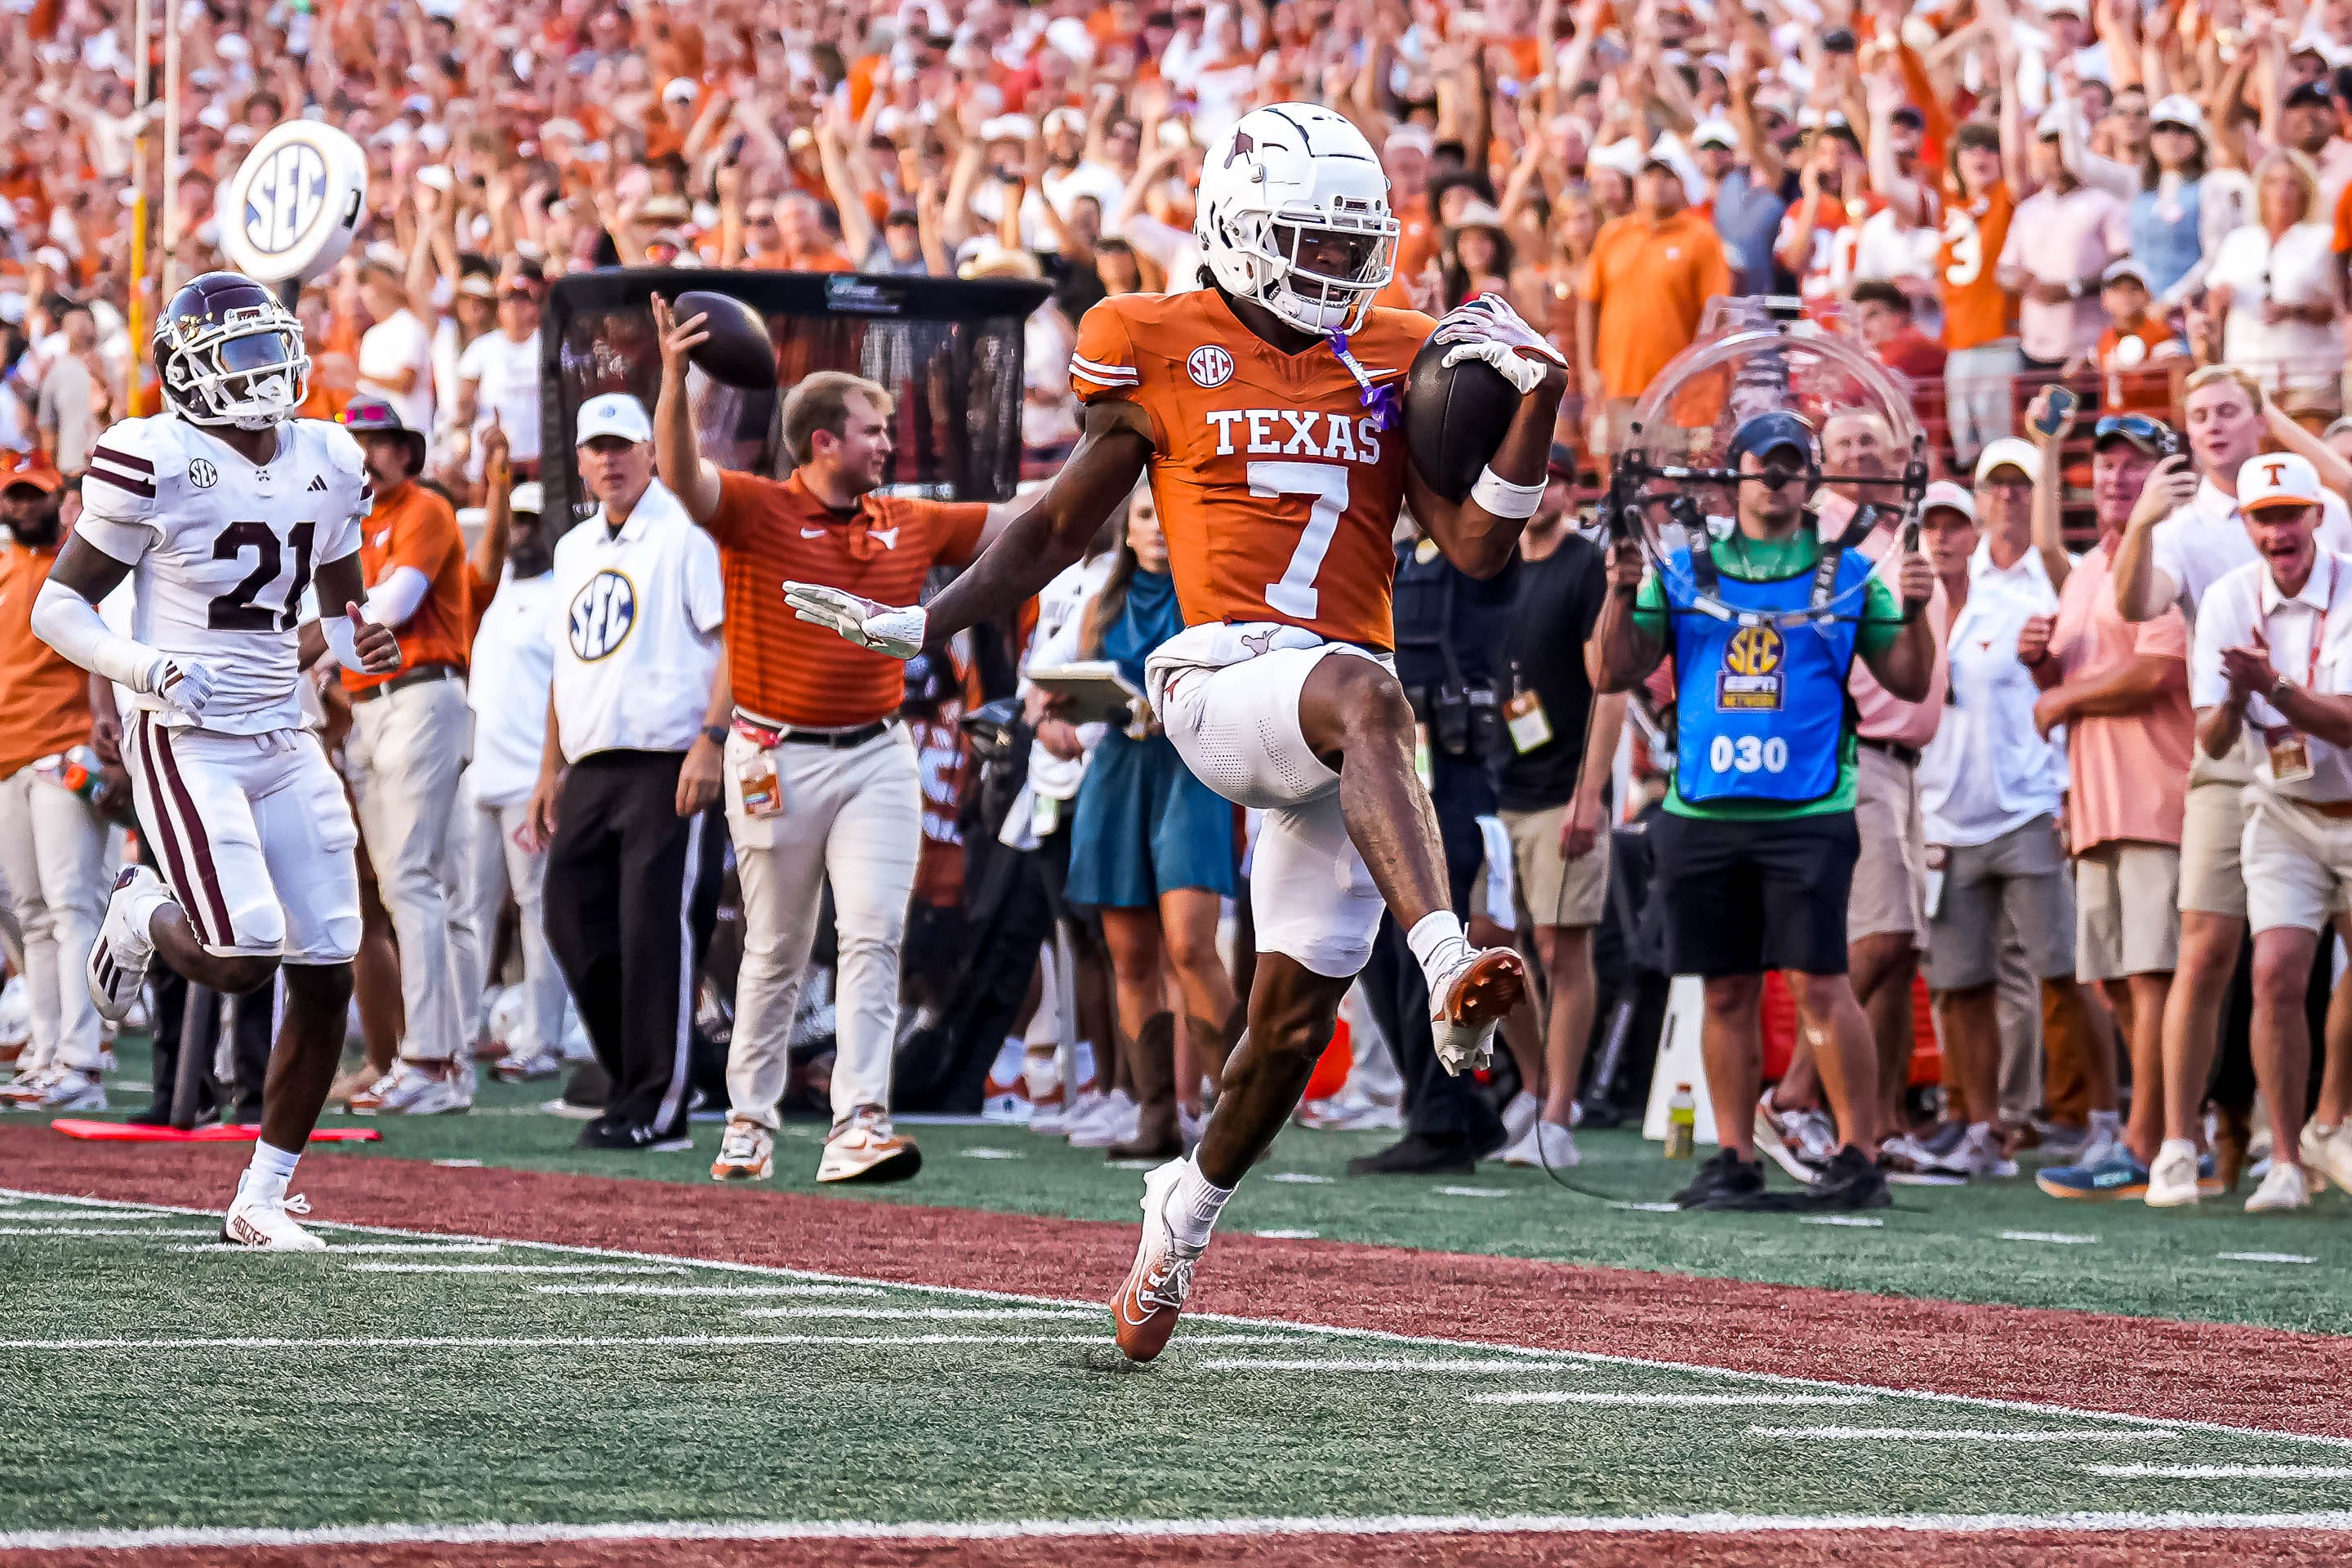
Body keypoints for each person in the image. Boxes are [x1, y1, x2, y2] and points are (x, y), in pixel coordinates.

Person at [782, 104, 1561, 1361]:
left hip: (1336, 737)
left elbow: (1476, 550)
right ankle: (1439, 967)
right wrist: (928, 624)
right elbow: (1052, 529)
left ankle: (1177, 1223)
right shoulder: (1152, 338)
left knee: (1287, 1028)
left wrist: (1540, 401)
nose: (1329, 271)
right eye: (1304, 242)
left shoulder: (1399, 348)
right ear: (1239, 232)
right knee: (1370, 690)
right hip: (1222, 673)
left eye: (1346, 244)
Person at [29, 271, 400, 1248]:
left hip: (285, 731)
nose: (264, 368)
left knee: (327, 966)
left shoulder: (329, 454)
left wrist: (362, 640)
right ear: (187, 371)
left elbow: (335, 607)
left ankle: (262, 1198)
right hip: (185, 736)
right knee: (243, 955)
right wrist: (142, 664)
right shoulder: (149, 456)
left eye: (269, 345)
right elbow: (56, 607)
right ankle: (143, 909)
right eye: (237, 352)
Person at [649, 318, 1026, 1186]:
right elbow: (680, 475)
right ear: (824, 442)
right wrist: (674, 378)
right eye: (874, 431)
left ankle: (860, 1119)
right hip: (775, 753)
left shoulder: (911, 520)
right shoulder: (757, 507)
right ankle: (750, 1115)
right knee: (778, 945)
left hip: (875, 754)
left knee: (873, 935)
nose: (889, 445)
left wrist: (1116, 456)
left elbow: (1018, 521)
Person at [1592, 409, 1937, 1211]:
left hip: (1809, 810)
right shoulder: (1682, 569)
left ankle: (1857, 1153)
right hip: (1703, 810)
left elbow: (1910, 681)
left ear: (1811, 480)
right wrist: (1617, 592)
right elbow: (1612, 667)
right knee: (1724, 990)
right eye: (1762, 463)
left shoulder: (1849, 572)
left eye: (1791, 465)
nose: (1776, 478)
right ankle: (1736, 1153)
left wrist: (1914, 609)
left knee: (1822, 985)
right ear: (1735, 474)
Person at [2113, 365, 2352, 1205]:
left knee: (2311, 960)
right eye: (2199, 415)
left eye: (2229, 412)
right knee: (2229, 955)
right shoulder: (2184, 532)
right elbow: (2135, 601)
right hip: (2247, 774)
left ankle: (2320, 1128)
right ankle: (2198, 1146)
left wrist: (2273, 691)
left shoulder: (2332, 525)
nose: (2212, 427)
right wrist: (2142, 518)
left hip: (2333, 765)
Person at [528, 392, 727, 1152]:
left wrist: (710, 741)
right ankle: (636, 1078)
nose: (610, 460)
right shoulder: (574, 547)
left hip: (667, 758)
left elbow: (730, 637)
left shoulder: (686, 533)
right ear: (579, 461)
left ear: (651, 451)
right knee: (571, 922)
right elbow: (565, 661)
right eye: (596, 448)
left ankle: (661, 1102)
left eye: (623, 446)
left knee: (656, 932)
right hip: (591, 761)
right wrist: (550, 768)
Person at [1917, 436, 2112, 1181]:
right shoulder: (1918, 601)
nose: (1943, 538)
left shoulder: (2035, 585)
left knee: (2063, 970)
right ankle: (1979, 1126)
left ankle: (2100, 1118)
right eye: (1932, 526)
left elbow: (2062, 675)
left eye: (1951, 525)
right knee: (1960, 984)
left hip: (2026, 807)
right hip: (1945, 813)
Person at [2025, 403, 2192, 1199]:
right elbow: (2065, 674)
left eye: (2136, 463)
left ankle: (2146, 1140)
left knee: (2153, 976)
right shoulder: (2093, 566)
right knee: (2117, 983)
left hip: (2159, 795)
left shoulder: (2170, 554)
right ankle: (2156, 1133)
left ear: (2166, 475)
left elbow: (2157, 673)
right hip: (2095, 803)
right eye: (2111, 463)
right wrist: (2040, 670)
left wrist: (2064, 701)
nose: (2119, 476)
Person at [2189, 452, 2352, 1211]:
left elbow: (2349, 725)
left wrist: (2271, 685)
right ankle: (2286, 1158)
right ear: (2247, 524)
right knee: (2275, 972)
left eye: (2291, 513)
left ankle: (2328, 1122)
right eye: (2265, 516)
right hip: (2282, 809)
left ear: (2319, 514)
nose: (2279, 529)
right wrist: (2233, 697)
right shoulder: (2227, 598)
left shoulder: (2351, 584)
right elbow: (2213, 742)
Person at [1064, 486, 1240, 1161]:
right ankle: (1155, 1115)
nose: (1159, 529)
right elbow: (1069, 689)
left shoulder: (1209, 594)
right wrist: (1067, 704)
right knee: (1130, 958)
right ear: (1128, 532)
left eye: (1168, 516)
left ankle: (1234, 1108)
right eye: (1145, 517)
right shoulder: (1100, 603)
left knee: (1192, 946)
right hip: (1117, 775)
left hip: (1192, 772)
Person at [334, 397, 476, 1116]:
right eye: (355, 439)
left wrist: (305, 645)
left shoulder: (424, 509)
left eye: (380, 440)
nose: (366, 451)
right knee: (411, 887)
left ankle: (431, 1059)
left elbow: (394, 603)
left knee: (411, 882)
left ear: (406, 453)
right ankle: (444, 1058)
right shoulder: (346, 525)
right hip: (370, 707)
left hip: (419, 693)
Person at [1491, 461, 1624, 1169]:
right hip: (1493, 783)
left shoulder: (1586, 568)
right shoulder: (1493, 559)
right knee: (1486, 947)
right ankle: (1534, 1087)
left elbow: (1610, 686)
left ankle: (1558, 1112)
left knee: (1559, 949)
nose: (1539, 490)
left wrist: (1590, 792)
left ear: (1574, 491)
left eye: (1553, 477)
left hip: (1557, 784)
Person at [457, 461, 577, 1085]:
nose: (522, 532)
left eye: (532, 522)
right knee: (470, 912)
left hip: (531, 779)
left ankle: (542, 1041)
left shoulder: (564, 592)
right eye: (516, 522)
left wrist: (552, 775)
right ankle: (459, 1034)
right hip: (479, 775)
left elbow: (568, 688)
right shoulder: (492, 584)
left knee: (538, 912)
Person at [0, 458, 112, 1109]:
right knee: (34, 912)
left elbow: (102, 649)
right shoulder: (11, 569)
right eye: (14, 497)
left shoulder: (78, 569)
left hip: (62, 750)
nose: (21, 507)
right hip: (12, 755)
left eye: (33, 496)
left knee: (70, 908)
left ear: (59, 502)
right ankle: (48, 1054)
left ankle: (81, 1061)